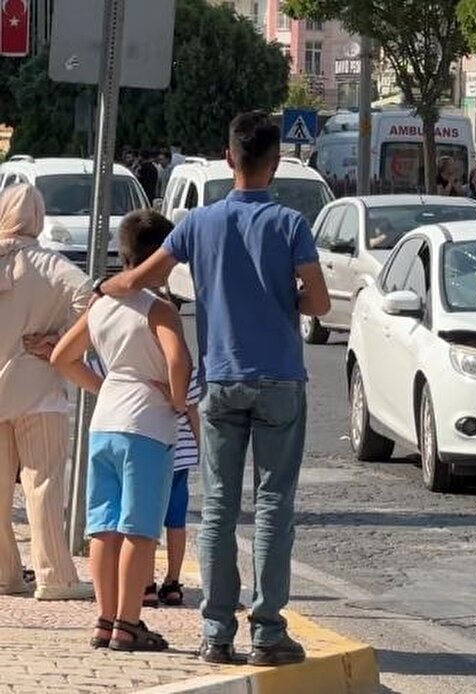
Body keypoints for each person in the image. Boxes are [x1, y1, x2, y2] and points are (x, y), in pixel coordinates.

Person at [99, 111, 331, 666]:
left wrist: (107, 286)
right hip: (279, 379)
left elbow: (141, 279)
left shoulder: (198, 224)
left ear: (229, 159)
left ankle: (215, 633)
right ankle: (268, 632)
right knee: (274, 505)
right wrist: (285, 302)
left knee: (220, 506)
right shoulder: (290, 224)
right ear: (275, 164)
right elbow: (320, 302)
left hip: (221, 378)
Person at [51, 209, 190, 651]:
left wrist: (105, 384)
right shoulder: (159, 309)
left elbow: (62, 357)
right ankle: (130, 623)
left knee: (104, 527)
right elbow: (179, 361)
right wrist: (177, 398)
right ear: (159, 260)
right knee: (139, 529)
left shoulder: (102, 305)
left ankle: (104, 619)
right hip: (146, 427)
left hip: (104, 422)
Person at [0, 184, 94, 602]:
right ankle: (54, 576)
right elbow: (93, 300)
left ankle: (5, 574)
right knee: (44, 486)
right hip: (39, 390)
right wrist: (61, 342)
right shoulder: (51, 265)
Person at [85, 351, 201, 609]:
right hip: (173, 447)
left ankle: (140, 589)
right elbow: (189, 407)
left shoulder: (112, 351)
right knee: (169, 520)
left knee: (125, 521)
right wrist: (199, 446)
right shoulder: (177, 355)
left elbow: (71, 361)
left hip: (113, 431)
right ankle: (172, 581)